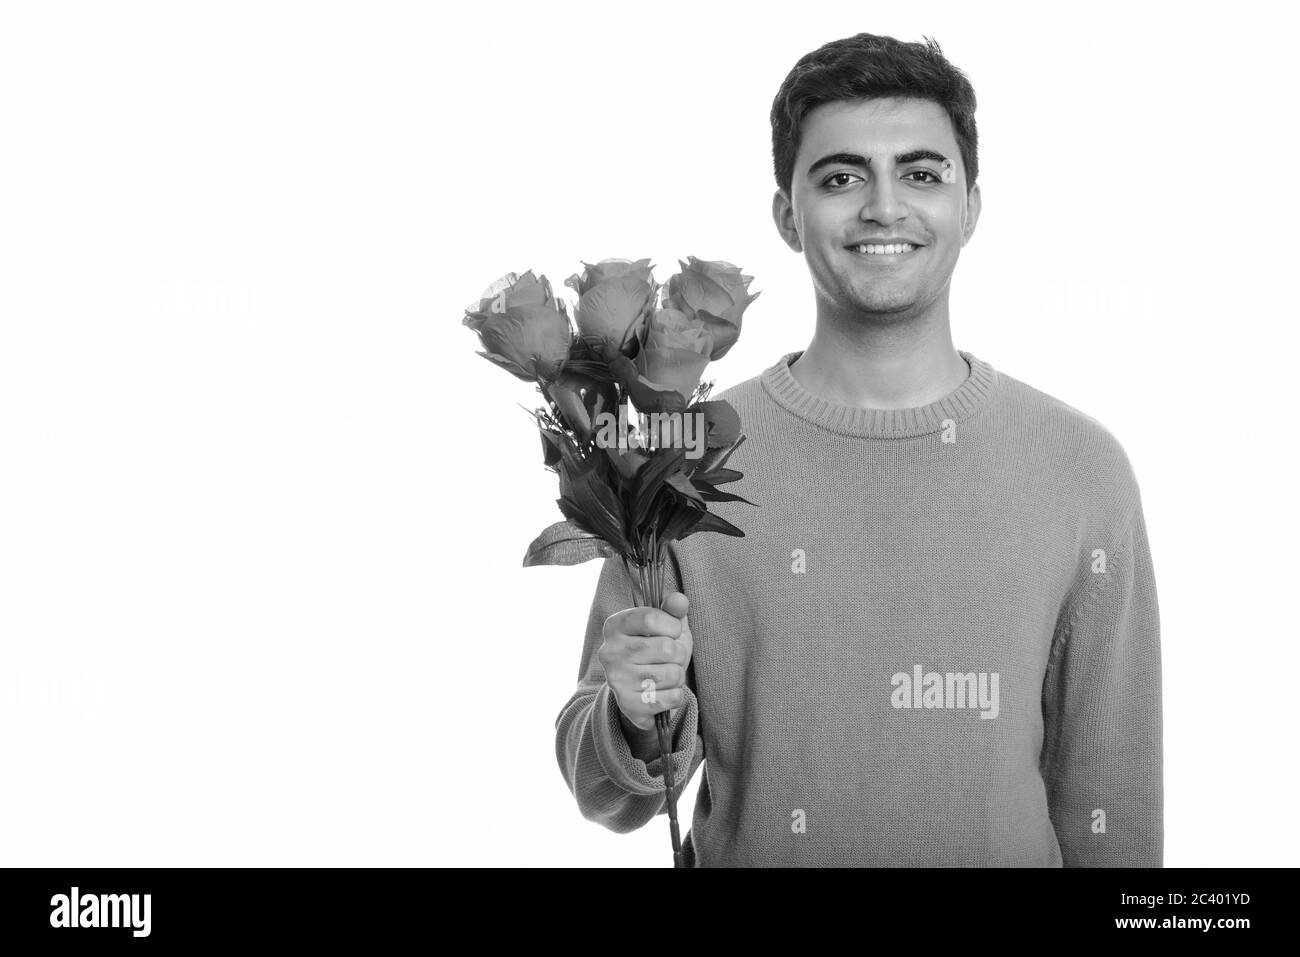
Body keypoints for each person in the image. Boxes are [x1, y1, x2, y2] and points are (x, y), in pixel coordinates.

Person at [555, 31, 1162, 867]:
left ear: (971, 207)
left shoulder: (1082, 468)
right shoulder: (675, 457)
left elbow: (1114, 807)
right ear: (787, 215)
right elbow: (607, 794)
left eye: (921, 173)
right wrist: (627, 711)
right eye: (841, 177)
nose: (883, 206)